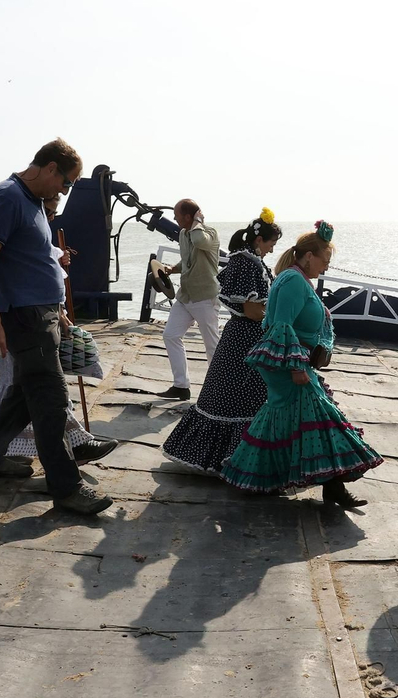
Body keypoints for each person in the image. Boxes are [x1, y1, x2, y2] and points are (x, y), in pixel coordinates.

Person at [0, 138, 111, 516]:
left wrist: (57, 309)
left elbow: (33, 260)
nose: (64, 190)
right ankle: (66, 487)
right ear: (49, 168)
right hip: (24, 317)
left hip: (42, 314)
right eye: (66, 182)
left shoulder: (31, 201)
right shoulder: (7, 198)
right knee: (50, 399)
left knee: (24, 395)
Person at [220, 222, 383, 506]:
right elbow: (282, 326)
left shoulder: (296, 279)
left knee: (281, 421)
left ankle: (260, 479)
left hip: (291, 361)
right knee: (323, 419)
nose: (327, 267)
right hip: (289, 365)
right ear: (309, 256)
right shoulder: (293, 281)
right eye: (325, 260)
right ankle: (333, 487)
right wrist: (296, 368)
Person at [163, 209, 283, 475]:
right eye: (271, 243)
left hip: (243, 340)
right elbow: (251, 310)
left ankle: (234, 457)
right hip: (244, 342)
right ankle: (231, 458)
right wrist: (277, 317)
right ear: (259, 240)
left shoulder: (250, 261)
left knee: (234, 396)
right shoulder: (246, 263)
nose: (272, 249)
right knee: (236, 398)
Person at [157, 199, 221, 401]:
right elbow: (187, 260)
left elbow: (200, 242)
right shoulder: (184, 234)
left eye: (177, 215)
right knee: (170, 335)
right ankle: (181, 386)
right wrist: (172, 269)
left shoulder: (209, 233)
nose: (174, 219)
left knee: (212, 345)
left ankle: (218, 390)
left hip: (205, 297)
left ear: (188, 217)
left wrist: (198, 221)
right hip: (185, 296)